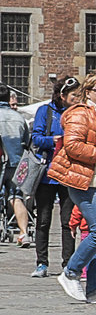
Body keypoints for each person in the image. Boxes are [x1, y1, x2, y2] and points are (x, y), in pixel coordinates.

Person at [48, 71, 96, 304]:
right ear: (88, 93)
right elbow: (72, 146)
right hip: (84, 181)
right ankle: (70, 272)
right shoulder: (81, 113)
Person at [29, 76, 82, 277]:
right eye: (74, 95)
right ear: (62, 96)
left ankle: (68, 263)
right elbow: (36, 138)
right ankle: (41, 263)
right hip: (47, 174)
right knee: (43, 220)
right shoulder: (45, 111)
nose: (77, 98)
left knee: (68, 221)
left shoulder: (79, 113)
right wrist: (54, 140)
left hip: (68, 174)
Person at [0, 83, 31, 247]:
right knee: (16, 198)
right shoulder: (19, 117)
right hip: (17, 162)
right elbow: (27, 142)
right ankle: (24, 233)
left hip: (1, 161)